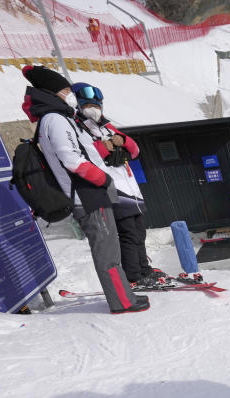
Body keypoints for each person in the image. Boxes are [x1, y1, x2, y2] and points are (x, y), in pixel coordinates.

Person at [20, 65, 148, 314]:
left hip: (91, 192)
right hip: (86, 195)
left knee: (111, 247)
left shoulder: (59, 117)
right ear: (53, 91)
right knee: (106, 251)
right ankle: (122, 302)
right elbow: (72, 159)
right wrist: (104, 179)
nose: (70, 94)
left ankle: (125, 295)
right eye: (66, 90)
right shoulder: (54, 120)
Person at [71, 82, 157, 287]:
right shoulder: (77, 129)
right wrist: (104, 147)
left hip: (130, 187)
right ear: (77, 105)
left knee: (139, 231)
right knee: (128, 232)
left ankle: (143, 268)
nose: (94, 109)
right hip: (112, 188)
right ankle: (134, 274)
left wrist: (122, 141)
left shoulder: (107, 126)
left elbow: (135, 151)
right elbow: (83, 158)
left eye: (97, 105)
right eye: (87, 105)